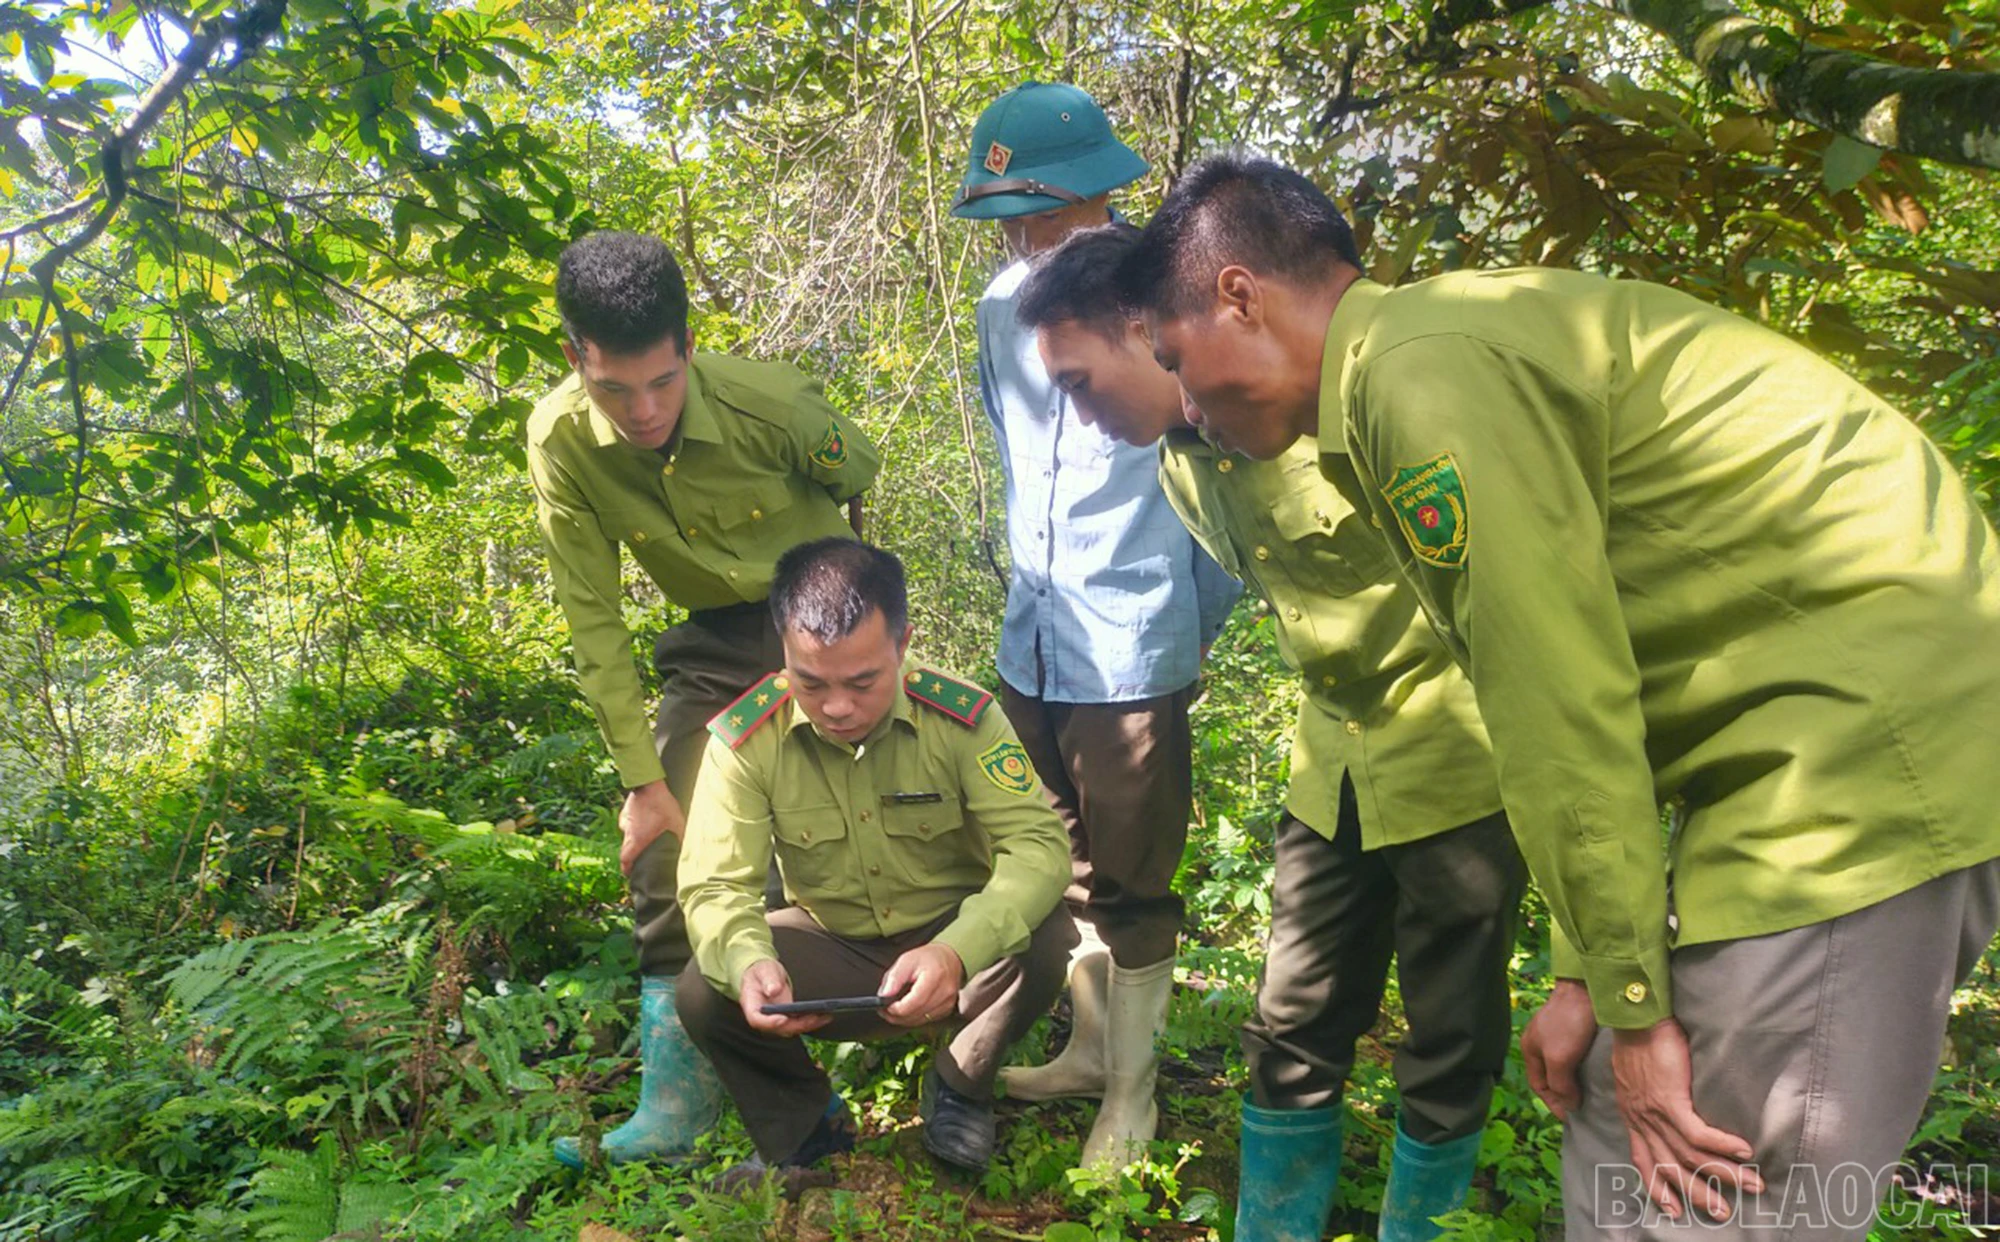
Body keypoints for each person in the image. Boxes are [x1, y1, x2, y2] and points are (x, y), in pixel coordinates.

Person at [1119, 152, 2000, 1240]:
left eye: (1175, 358)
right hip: (1822, 730)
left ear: (1236, 294)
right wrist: (1589, 975)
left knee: (1695, 1191)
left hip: (1852, 748)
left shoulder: (1420, 380)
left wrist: (1634, 1009)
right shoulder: (1423, 354)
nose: (1187, 404)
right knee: (1615, 1133)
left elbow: (1555, 701)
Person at [1014, 222, 1527, 1242]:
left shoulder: (1333, 412)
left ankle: (1423, 1224)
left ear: (1142, 331)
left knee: (1447, 1028)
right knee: (1291, 1018)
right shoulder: (1179, 465)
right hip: (1330, 761)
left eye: (1078, 381)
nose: (1074, 413)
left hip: (1455, 758)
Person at [527, 231, 881, 1168]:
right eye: (613, 389)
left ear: (686, 346)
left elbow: (859, 472)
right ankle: (679, 1109)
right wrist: (642, 780)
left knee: (840, 832)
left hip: (818, 621)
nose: (642, 412)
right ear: (576, 359)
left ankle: (943, 1044)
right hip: (712, 644)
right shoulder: (560, 440)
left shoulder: (772, 403)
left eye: (661, 382)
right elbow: (592, 617)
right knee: (666, 852)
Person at [950, 81, 1241, 1170]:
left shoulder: (1156, 299)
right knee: (1054, 862)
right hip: (1033, 633)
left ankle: (1134, 1097)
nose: (1019, 233)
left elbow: (1214, 476)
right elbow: (1017, 463)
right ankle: (1083, 1049)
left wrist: (1180, 632)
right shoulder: (1000, 308)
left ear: (1078, 197)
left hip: (1131, 643)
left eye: (1028, 209)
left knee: (1132, 882)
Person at [674, 538, 1075, 1188]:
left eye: (863, 682)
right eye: (811, 682)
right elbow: (715, 885)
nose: (837, 706)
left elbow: (1038, 847)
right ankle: (807, 1130)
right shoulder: (746, 742)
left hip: (955, 947)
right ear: (784, 649)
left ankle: (962, 1080)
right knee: (703, 985)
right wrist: (750, 962)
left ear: (903, 642)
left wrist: (955, 950)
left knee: (1046, 929)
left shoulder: (962, 718)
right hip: (835, 949)